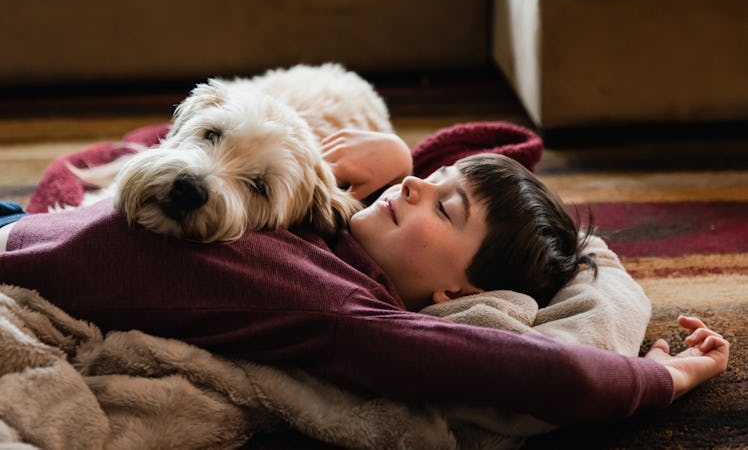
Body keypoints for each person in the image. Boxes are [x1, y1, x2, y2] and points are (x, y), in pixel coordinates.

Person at [0, 130, 729, 427]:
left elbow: (556, 377)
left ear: (458, 296)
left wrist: (668, 380)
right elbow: (495, 147)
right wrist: (390, 158)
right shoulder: (325, 222)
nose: (413, 188)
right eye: (425, 180)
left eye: (444, 208)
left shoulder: (342, 310)